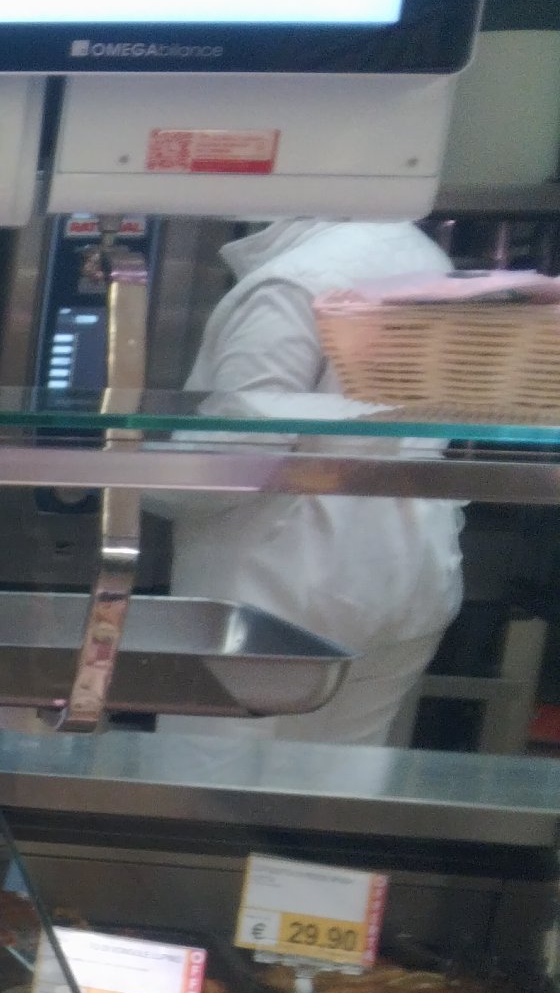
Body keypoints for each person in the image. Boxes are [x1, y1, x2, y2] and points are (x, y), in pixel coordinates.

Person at [153, 218, 464, 747]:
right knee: (335, 784)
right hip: (408, 571)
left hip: (281, 587)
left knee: (207, 782)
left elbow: (239, 461)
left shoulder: (294, 281)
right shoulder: (424, 255)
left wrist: (116, 474)